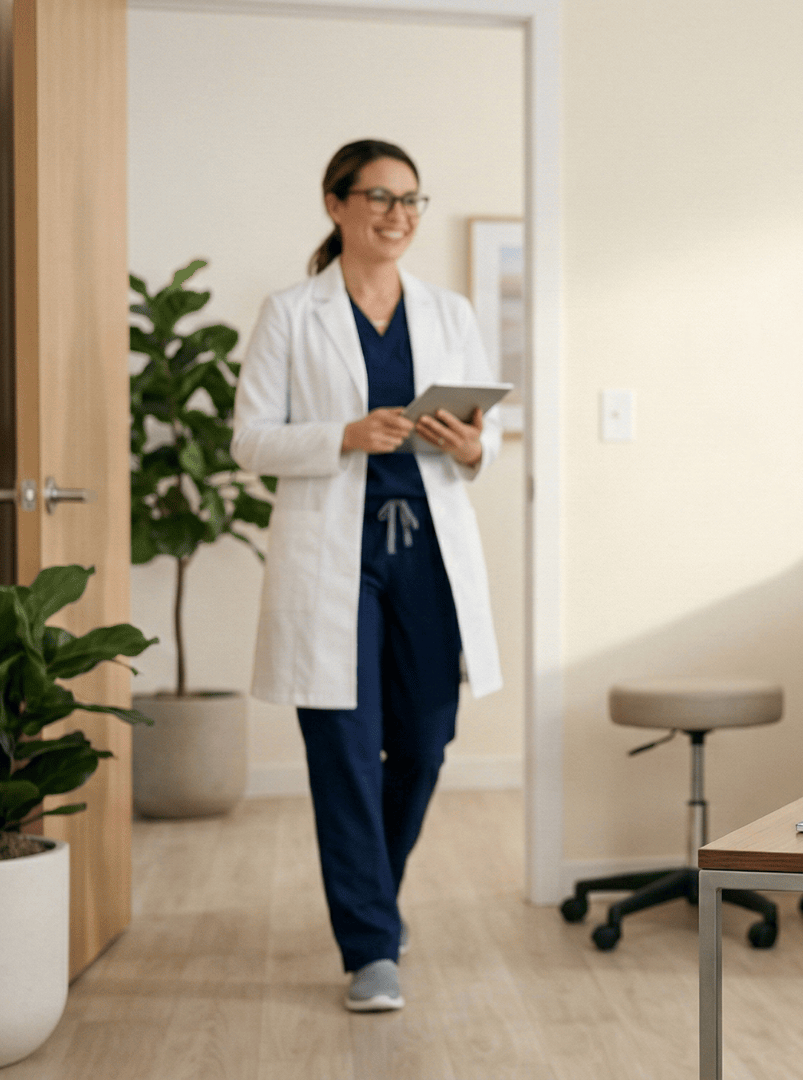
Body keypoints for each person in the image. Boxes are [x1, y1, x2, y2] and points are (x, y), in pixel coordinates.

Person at [232, 139, 505, 1014]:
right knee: (345, 751)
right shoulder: (289, 312)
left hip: (426, 551)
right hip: (334, 558)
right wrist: (341, 435)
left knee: (425, 742)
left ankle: (373, 899)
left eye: (412, 200)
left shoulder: (450, 309)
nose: (398, 215)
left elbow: (475, 435)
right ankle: (369, 946)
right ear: (336, 204)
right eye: (380, 197)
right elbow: (249, 441)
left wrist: (474, 446)